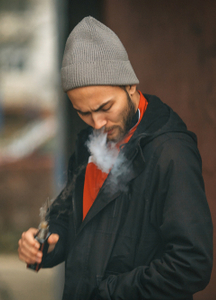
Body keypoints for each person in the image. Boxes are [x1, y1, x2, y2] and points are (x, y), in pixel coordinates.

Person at [18, 16, 213, 300]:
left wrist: (110, 293)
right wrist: (45, 245)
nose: (96, 123)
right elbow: (69, 216)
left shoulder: (171, 153)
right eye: (83, 112)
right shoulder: (89, 143)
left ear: (131, 86)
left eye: (105, 107)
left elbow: (191, 264)